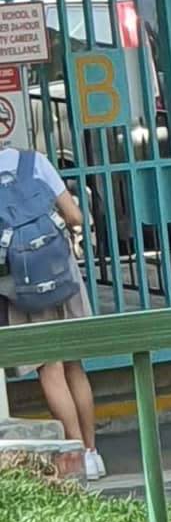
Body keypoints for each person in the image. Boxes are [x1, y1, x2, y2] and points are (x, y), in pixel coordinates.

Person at [0, 147, 105, 481]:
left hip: (21, 286)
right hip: (63, 274)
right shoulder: (34, 161)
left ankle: (74, 455)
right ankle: (92, 453)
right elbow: (74, 216)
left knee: (50, 370)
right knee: (74, 366)